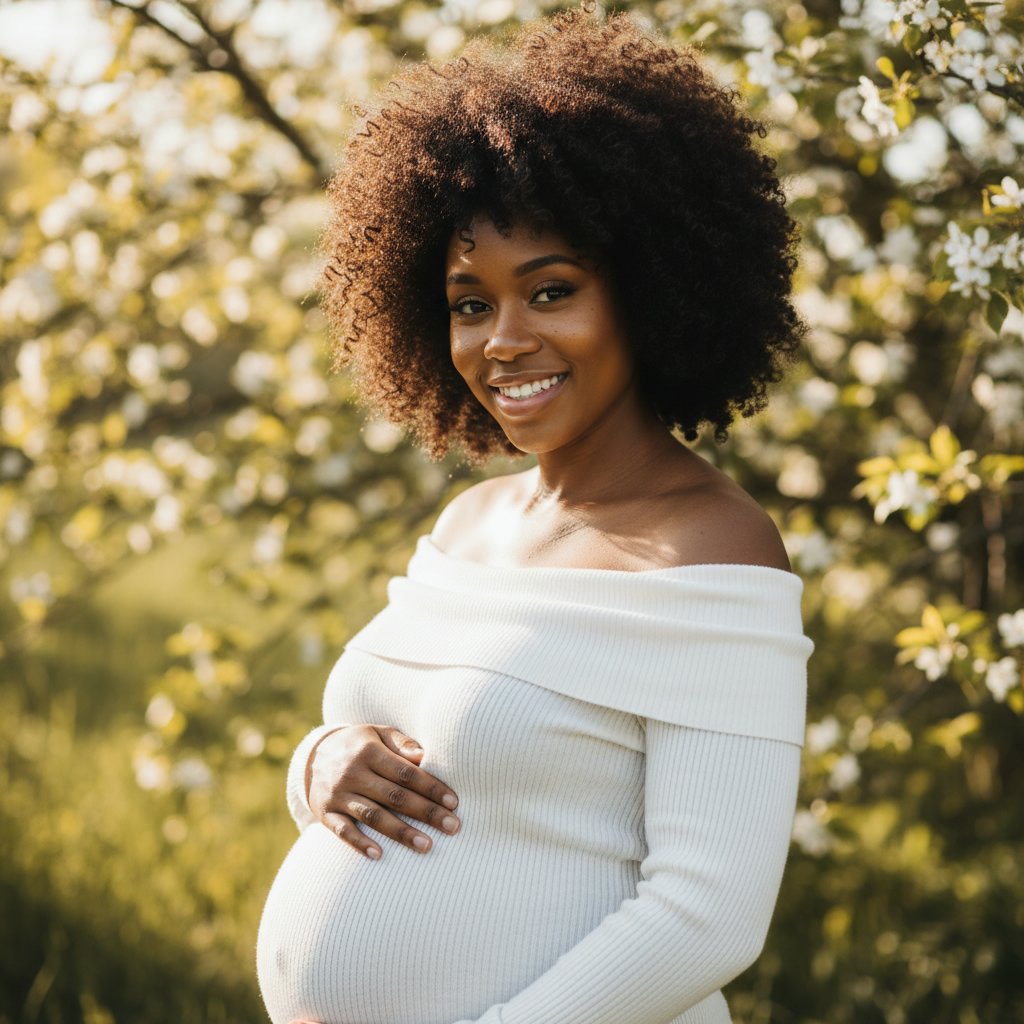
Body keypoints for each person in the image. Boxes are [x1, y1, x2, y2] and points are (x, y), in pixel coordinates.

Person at [256, 6, 814, 1023]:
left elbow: (709, 912)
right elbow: (398, 751)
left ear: (648, 294)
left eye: (550, 291)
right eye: (470, 303)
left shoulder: (711, 546)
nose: (501, 340)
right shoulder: (469, 525)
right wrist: (318, 764)